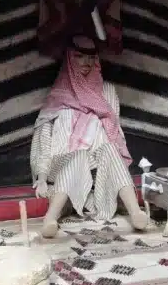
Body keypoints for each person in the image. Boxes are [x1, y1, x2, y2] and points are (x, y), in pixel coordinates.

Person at [29, 35, 149, 238]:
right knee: (78, 156)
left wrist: (116, 162)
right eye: (80, 56)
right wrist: (41, 178)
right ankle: (50, 219)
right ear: (69, 59)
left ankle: (136, 213)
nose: (87, 62)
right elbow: (44, 137)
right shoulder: (59, 94)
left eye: (91, 57)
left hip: (96, 165)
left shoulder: (107, 91)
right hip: (61, 163)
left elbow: (113, 130)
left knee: (110, 148)